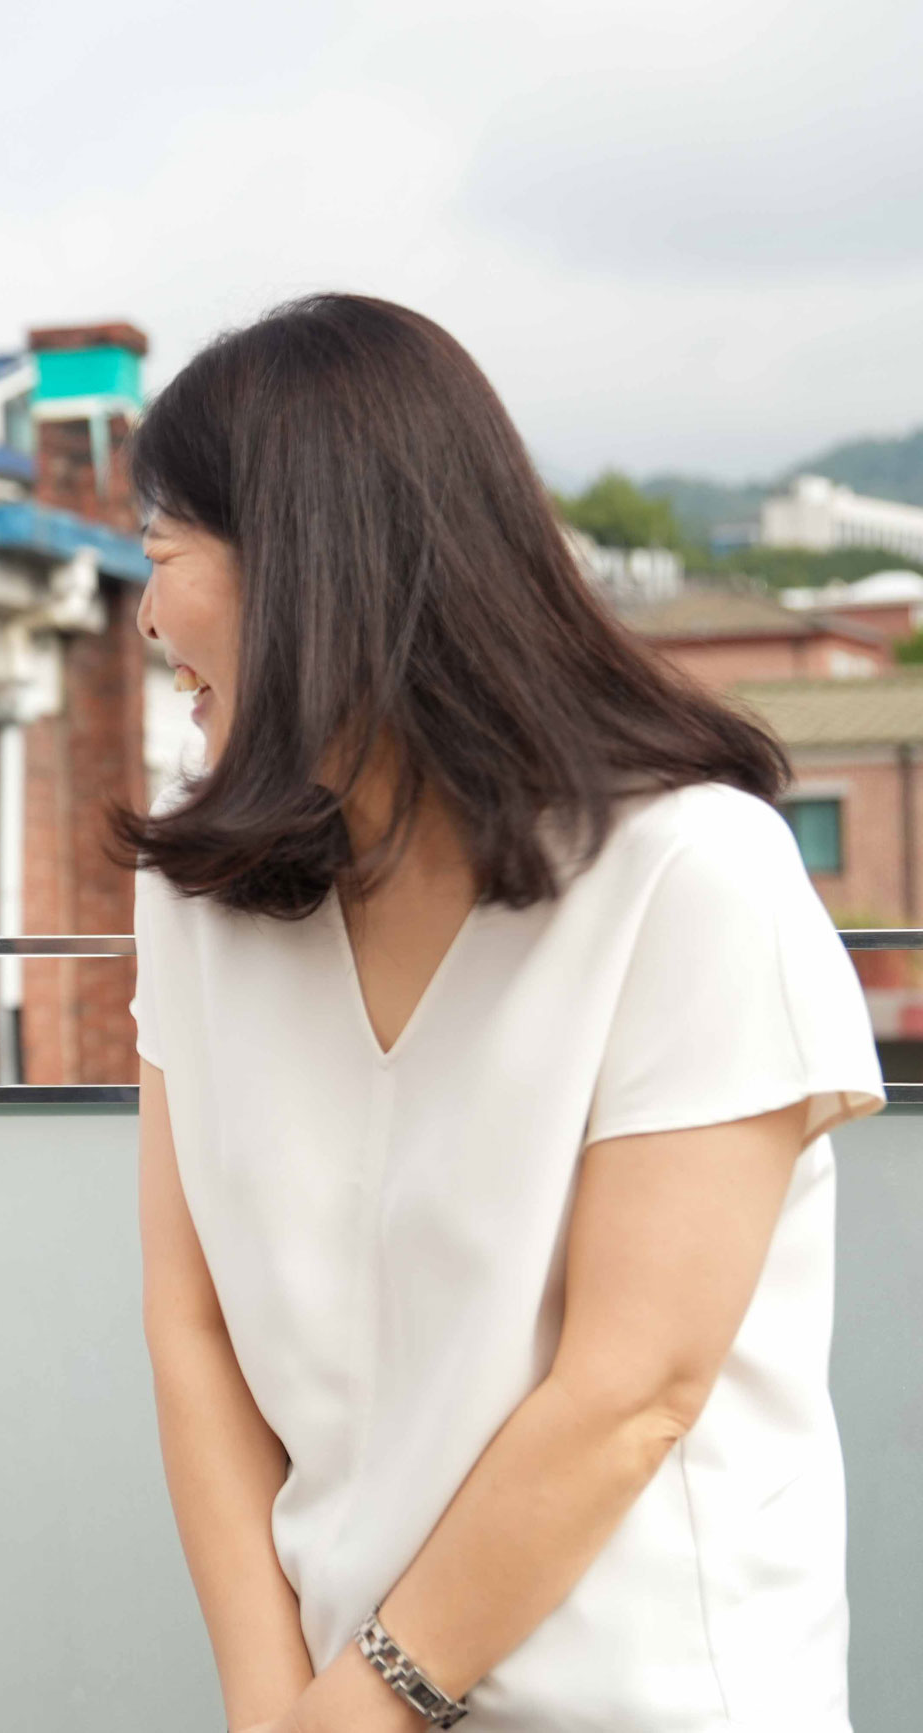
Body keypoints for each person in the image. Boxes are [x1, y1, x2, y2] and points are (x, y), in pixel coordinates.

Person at [125, 293, 879, 1733]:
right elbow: (193, 1327)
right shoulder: (200, 889)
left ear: (305, 561)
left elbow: (634, 1386)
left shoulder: (689, 871)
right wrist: (266, 1701)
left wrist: (364, 1704)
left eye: (162, 556)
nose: (148, 614)